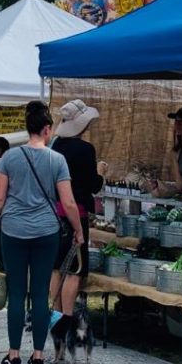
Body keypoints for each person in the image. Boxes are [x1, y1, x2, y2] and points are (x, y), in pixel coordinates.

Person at [0, 101, 82, 364]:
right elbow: (68, 203)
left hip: (13, 231)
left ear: (27, 128)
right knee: (41, 293)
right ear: (47, 130)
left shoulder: (10, 158)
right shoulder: (57, 160)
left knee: (17, 294)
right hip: (47, 232)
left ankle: (13, 356)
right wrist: (78, 229)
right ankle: (38, 357)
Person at [49, 100, 106, 323]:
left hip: (54, 213)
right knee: (74, 270)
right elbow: (93, 185)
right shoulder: (85, 149)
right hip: (75, 214)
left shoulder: (55, 146)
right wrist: (100, 172)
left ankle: (54, 318)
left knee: (56, 268)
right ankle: (67, 320)